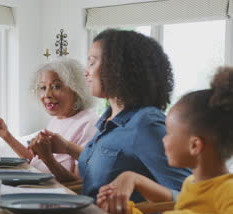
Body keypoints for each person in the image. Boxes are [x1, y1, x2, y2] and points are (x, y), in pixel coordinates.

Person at [40, 29, 190, 202]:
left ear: (118, 68)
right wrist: (66, 148)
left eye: (92, 62)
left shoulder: (145, 124)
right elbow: (106, 164)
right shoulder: (107, 120)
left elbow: (192, 198)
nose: (86, 72)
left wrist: (136, 181)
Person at [108, 67, 233, 214]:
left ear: (194, 145)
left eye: (169, 133)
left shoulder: (228, 190)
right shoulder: (191, 184)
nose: (163, 140)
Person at [0, 58, 98, 182]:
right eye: (43, 88)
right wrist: (5, 134)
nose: (47, 94)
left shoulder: (88, 124)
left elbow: (78, 184)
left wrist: (48, 159)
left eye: (56, 86)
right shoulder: (58, 119)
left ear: (76, 90)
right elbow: (36, 161)